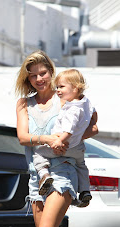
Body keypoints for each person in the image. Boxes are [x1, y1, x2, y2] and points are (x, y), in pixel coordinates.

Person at [16, 50, 98, 227]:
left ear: (51, 71)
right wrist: (50, 139)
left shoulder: (64, 97)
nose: (40, 79)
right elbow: (22, 137)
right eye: (33, 75)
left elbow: (92, 123)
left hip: (63, 171)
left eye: (43, 73)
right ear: (27, 78)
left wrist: (70, 140)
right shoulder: (23, 104)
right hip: (36, 175)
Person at [33, 68, 96, 207]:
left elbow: (68, 130)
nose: (58, 90)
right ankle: (85, 190)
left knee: (38, 153)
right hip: (78, 147)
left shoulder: (71, 109)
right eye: (57, 87)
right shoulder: (86, 102)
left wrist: (59, 141)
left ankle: (44, 175)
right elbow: (94, 116)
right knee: (81, 166)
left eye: (61, 87)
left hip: (65, 145)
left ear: (75, 88)